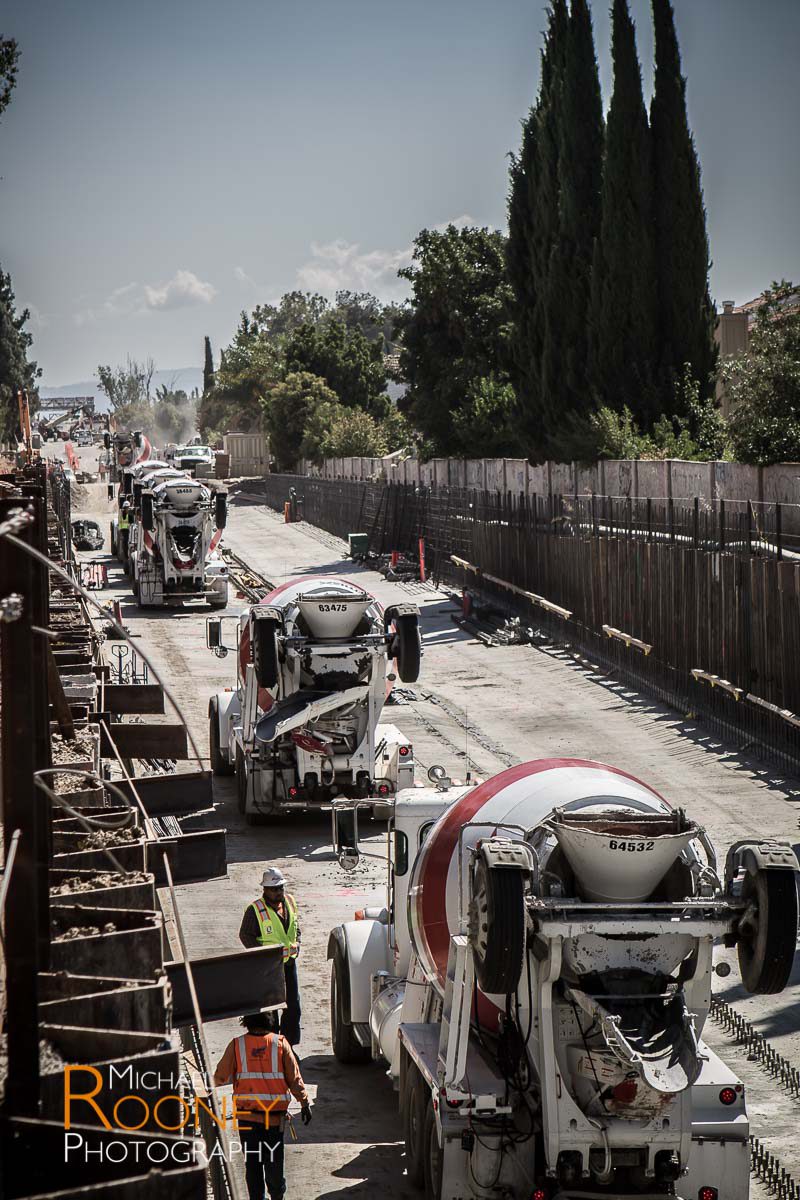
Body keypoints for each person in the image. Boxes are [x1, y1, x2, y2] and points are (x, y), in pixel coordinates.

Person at [214, 1012, 311, 1200]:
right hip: (274, 1121)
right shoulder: (280, 1044)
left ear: (246, 1022)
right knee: (274, 1162)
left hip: (247, 1120)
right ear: (270, 1021)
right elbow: (294, 1078)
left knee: (253, 1165)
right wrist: (304, 1102)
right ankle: (276, 1196)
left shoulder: (237, 1045)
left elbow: (220, 1076)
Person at [239, 868, 302, 1047]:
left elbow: (295, 926)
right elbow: (246, 935)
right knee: (271, 1009)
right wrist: (263, 955)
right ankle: (272, 1045)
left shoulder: (290, 902)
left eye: (281, 888)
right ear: (265, 889)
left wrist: (298, 941)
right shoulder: (255, 910)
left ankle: (287, 1046)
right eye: (274, 889)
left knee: (293, 1007)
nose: (278, 892)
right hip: (267, 969)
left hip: (288, 965)